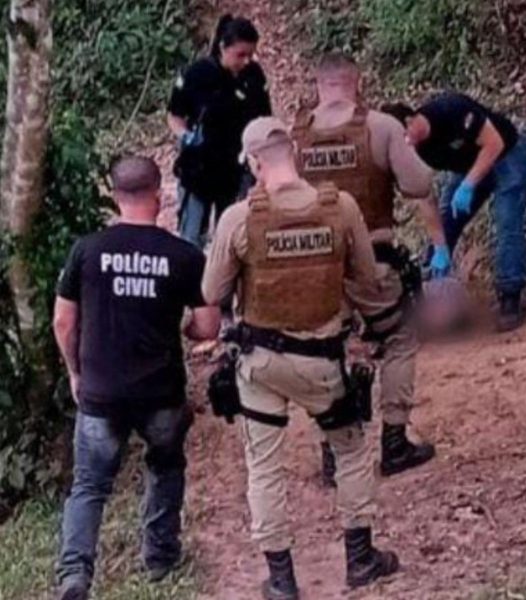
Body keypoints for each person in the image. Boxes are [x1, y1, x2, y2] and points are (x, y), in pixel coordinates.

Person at [202, 117, 399, 599]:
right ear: (294, 151)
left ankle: (283, 580)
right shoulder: (341, 208)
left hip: (262, 364)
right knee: (350, 450)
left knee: (264, 466)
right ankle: (360, 559)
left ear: (253, 162)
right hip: (322, 360)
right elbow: (368, 279)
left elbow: (211, 291)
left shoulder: (238, 219)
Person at [53, 157, 220, 600]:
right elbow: (209, 325)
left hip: (100, 391)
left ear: (113, 194)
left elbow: (63, 322)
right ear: (160, 193)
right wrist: (184, 329)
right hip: (160, 392)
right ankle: (160, 558)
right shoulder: (183, 255)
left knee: (89, 486)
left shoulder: (86, 250)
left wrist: (75, 371)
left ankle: (75, 575)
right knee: (165, 467)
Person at [292, 52, 449, 484]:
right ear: (356, 83)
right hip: (372, 261)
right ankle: (394, 444)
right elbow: (419, 184)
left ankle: (332, 456)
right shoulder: (380, 127)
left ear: (319, 85)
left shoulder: (294, 137)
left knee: (328, 349)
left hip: (311, 264)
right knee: (398, 338)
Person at [384, 93, 526, 332]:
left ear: (410, 121)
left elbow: (494, 143)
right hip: (469, 166)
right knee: (446, 223)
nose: (402, 144)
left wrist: (468, 185)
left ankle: (510, 297)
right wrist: (440, 247)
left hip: (507, 155)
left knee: (507, 222)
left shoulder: (450, 110)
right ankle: (430, 298)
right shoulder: (411, 151)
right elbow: (424, 196)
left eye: (401, 136)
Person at [167, 14, 272, 248]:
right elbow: (175, 116)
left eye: (250, 55)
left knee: (232, 239)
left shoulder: (253, 76)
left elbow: (264, 120)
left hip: (237, 170)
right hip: (199, 168)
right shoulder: (197, 74)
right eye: (240, 55)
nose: (246, 61)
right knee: (191, 239)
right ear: (223, 47)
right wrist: (186, 136)